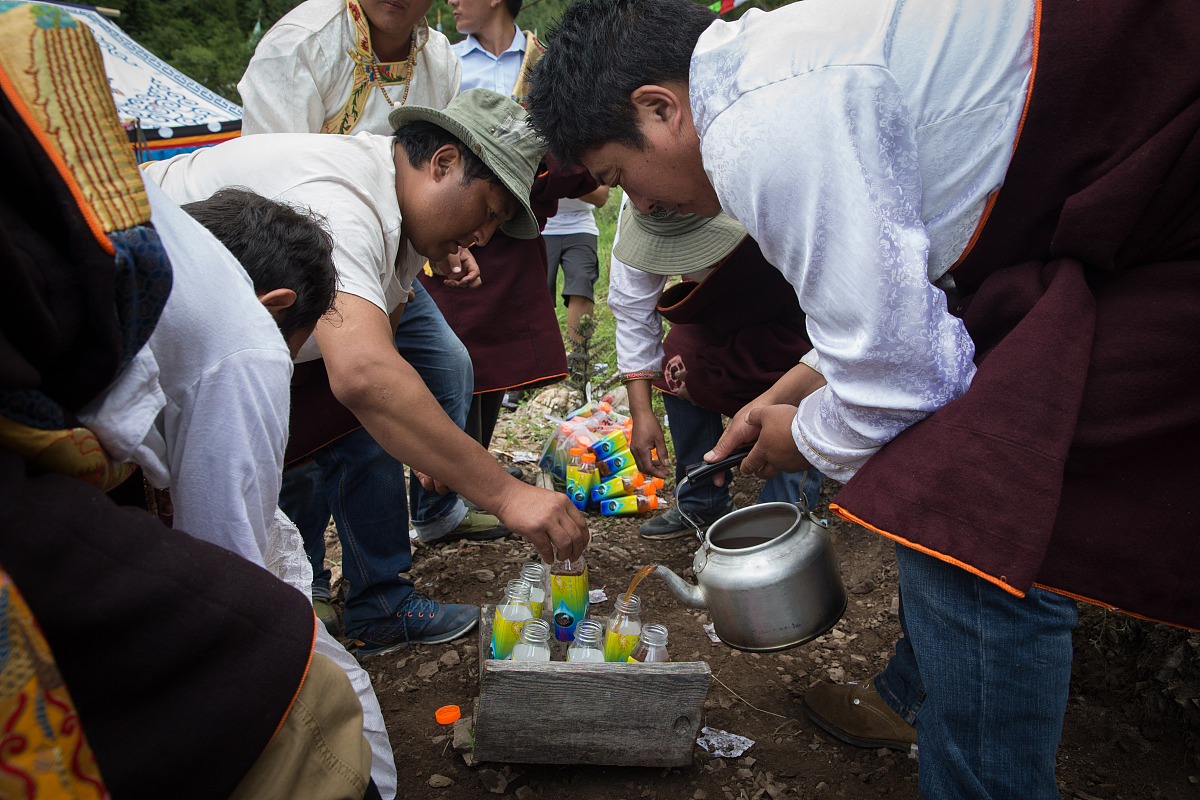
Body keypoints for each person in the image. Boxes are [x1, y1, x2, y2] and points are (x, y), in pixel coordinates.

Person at [526, 0, 1200, 798]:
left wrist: (805, 438)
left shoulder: (758, 122)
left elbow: (903, 376)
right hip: (1121, 214)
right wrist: (794, 389)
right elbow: (895, 299)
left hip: (1161, 212)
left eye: (617, 178)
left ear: (659, 107)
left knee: (970, 514)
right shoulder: (773, 62)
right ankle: (925, 703)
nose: (640, 205)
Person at [0, 5, 376, 796]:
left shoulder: (169, 225)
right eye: (299, 347)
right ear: (276, 306)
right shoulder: (243, 337)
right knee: (283, 681)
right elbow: (226, 563)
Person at [146, 89, 590, 659]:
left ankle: (365, 605)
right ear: (445, 163)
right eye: (489, 211)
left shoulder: (402, 216)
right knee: (216, 496)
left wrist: (434, 451)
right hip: (147, 328)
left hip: (210, 342)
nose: (483, 237)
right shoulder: (342, 205)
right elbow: (363, 374)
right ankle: (273, 614)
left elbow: (386, 348)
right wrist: (505, 493)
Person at [239, 0, 505, 640]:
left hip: (384, 253)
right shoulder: (301, 44)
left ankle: (394, 567)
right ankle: (300, 593)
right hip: (289, 263)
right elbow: (277, 205)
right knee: (328, 410)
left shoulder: (437, 58)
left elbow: (426, 180)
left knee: (440, 368)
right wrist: (510, 495)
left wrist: (435, 248)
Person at [608, 201, 824, 540]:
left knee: (794, 402)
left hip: (797, 310)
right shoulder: (640, 208)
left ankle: (783, 513)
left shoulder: (772, 199)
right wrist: (640, 411)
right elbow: (632, 309)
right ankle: (701, 498)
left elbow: (835, 339)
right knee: (677, 363)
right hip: (717, 308)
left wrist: (767, 400)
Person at [544, 186, 610, 350]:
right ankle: (546, 365)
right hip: (541, 225)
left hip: (581, 225)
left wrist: (564, 181)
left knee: (581, 288)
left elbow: (601, 197)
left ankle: (581, 362)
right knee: (538, 295)